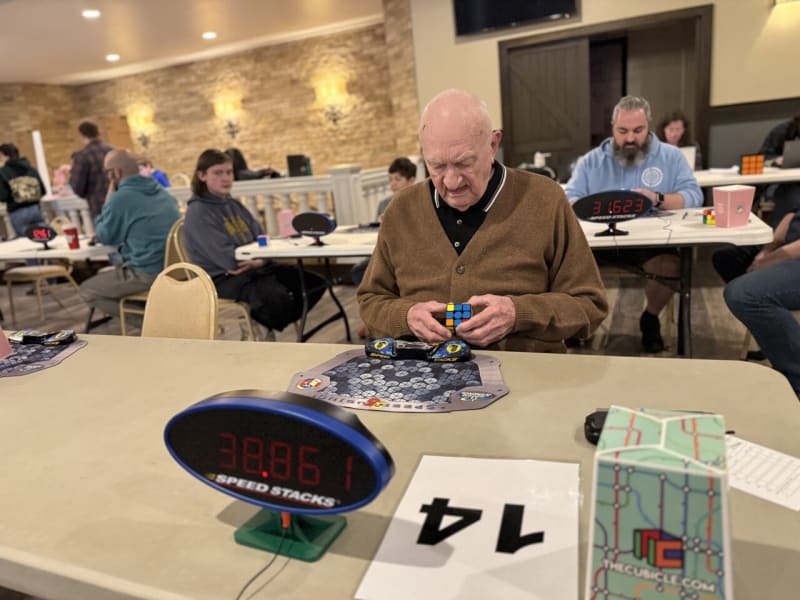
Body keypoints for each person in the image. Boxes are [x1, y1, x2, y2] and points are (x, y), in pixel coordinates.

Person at [357, 89, 607, 352]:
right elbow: (370, 301)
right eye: (437, 166)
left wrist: (518, 314)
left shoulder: (545, 200)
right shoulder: (401, 210)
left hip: (526, 376)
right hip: (424, 377)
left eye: (464, 163)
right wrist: (405, 317)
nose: (452, 182)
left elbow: (590, 305)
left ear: (492, 145)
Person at [565, 95, 702, 353]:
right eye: (622, 131)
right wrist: (578, 204)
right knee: (565, 265)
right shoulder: (591, 160)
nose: (630, 138)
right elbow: (569, 196)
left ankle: (650, 318)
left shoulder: (671, 157)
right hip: (597, 243)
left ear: (648, 127)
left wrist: (658, 198)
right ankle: (580, 321)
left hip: (651, 241)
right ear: (612, 128)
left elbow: (694, 196)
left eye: (638, 131)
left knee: (671, 266)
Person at [183, 149, 325, 333]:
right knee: (276, 299)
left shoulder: (233, 204)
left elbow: (260, 236)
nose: (226, 178)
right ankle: (270, 329)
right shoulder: (199, 212)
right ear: (201, 176)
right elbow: (227, 260)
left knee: (314, 283)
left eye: (229, 172)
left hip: (255, 268)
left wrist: (261, 260)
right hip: (222, 278)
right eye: (218, 173)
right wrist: (258, 260)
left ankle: (274, 324)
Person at [79, 149, 181, 324]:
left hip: (148, 272)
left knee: (88, 290)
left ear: (115, 173)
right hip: (178, 269)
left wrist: (110, 197)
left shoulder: (121, 199)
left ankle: (153, 324)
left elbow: (105, 236)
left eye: (107, 173)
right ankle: (160, 317)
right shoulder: (162, 192)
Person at [711, 208, 800, 399]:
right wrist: (767, 251)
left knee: (745, 294)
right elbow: (791, 216)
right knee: (727, 259)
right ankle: (777, 341)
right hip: (790, 247)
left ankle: (795, 380)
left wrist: (772, 259)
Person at [351, 157, 417, 288]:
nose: (393, 184)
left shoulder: (420, 202)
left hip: (410, 255)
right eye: (390, 180)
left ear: (412, 180)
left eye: (398, 179)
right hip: (387, 254)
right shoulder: (384, 204)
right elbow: (378, 235)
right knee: (358, 271)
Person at [757, 112, 800, 226]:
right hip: (783, 183)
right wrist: (776, 160)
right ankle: (784, 237)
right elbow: (761, 158)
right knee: (793, 198)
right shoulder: (783, 131)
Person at [0, 143, 46, 238]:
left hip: (17, 211)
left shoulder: (3, 172)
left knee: (26, 243)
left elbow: (3, 196)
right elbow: (43, 190)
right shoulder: (31, 168)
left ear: (3, 154)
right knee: (42, 238)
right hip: (35, 209)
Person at [69, 121, 113, 220]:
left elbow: (77, 186)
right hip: (119, 199)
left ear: (81, 135)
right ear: (98, 133)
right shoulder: (112, 150)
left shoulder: (83, 156)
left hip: (99, 204)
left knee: (105, 233)